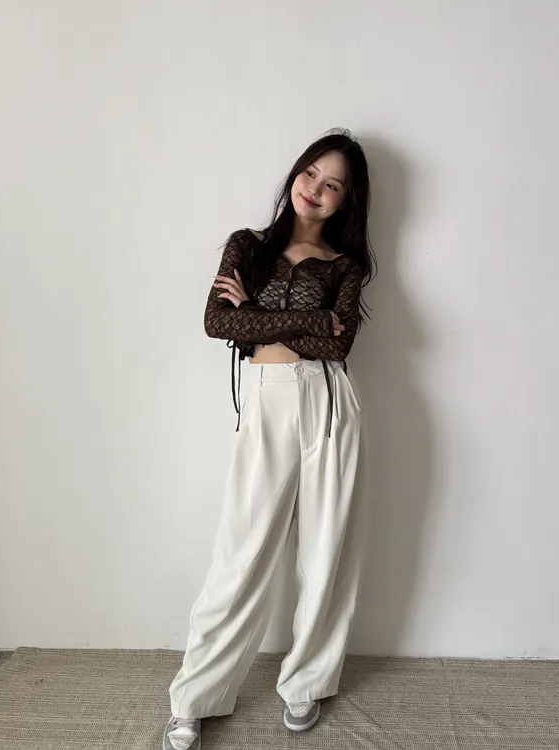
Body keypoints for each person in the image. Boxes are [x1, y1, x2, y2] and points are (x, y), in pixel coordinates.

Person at [163, 129, 376, 750]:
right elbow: (217, 322)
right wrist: (308, 318)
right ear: (295, 173)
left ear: (346, 199)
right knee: (241, 552)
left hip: (331, 404)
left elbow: (338, 343)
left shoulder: (346, 265)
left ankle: (307, 682)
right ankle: (195, 696)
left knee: (326, 551)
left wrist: (254, 315)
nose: (315, 189)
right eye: (310, 173)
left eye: (332, 184)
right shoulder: (247, 246)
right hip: (266, 397)